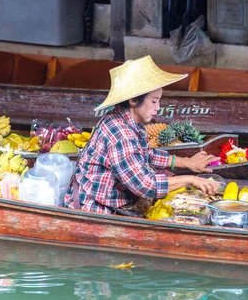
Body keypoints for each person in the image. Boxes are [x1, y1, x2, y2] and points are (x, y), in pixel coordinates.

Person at [65, 55, 220, 215]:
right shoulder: (121, 133)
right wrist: (190, 179)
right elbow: (145, 185)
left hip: (114, 199)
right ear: (133, 100)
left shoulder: (128, 120)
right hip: (94, 208)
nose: (158, 108)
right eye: (154, 101)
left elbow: (146, 154)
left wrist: (187, 162)